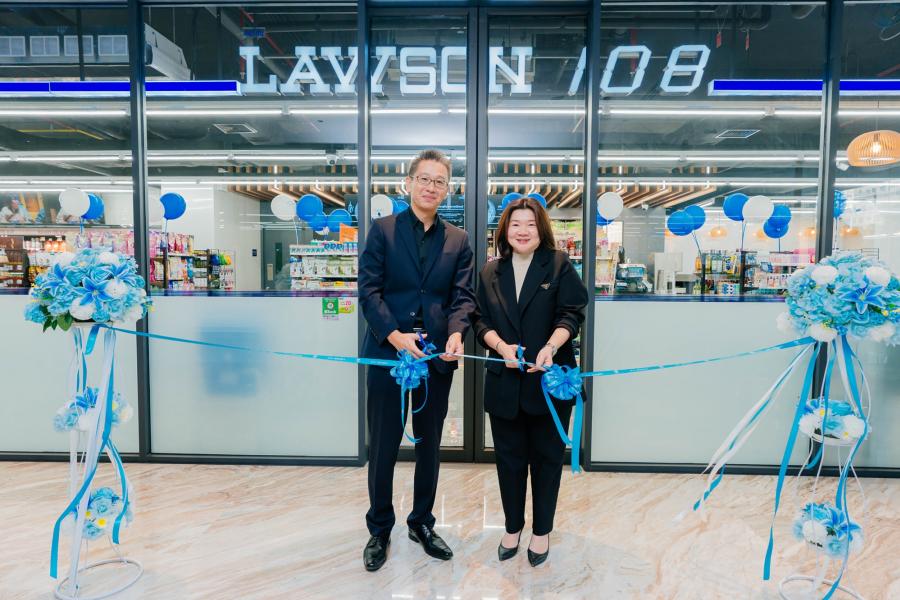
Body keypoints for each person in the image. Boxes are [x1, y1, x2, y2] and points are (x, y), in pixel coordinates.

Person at [358, 149, 475, 572]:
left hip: (436, 357)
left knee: (429, 445)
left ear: (447, 189)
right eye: (424, 179)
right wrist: (395, 336)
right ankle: (379, 528)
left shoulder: (458, 239)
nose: (431, 187)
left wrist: (457, 332)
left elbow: (463, 297)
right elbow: (368, 290)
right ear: (408, 183)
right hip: (388, 354)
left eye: (439, 181)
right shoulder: (383, 230)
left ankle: (422, 522)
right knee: (384, 444)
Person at [473, 196, 588, 567]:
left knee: (547, 460)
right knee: (508, 461)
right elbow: (479, 320)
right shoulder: (491, 271)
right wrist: (500, 346)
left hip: (550, 383)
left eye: (531, 224)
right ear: (505, 230)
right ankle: (512, 527)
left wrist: (551, 347)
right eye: (515, 224)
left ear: (542, 230)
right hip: (504, 384)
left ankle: (541, 531)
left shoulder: (558, 265)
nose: (523, 231)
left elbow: (572, 313)